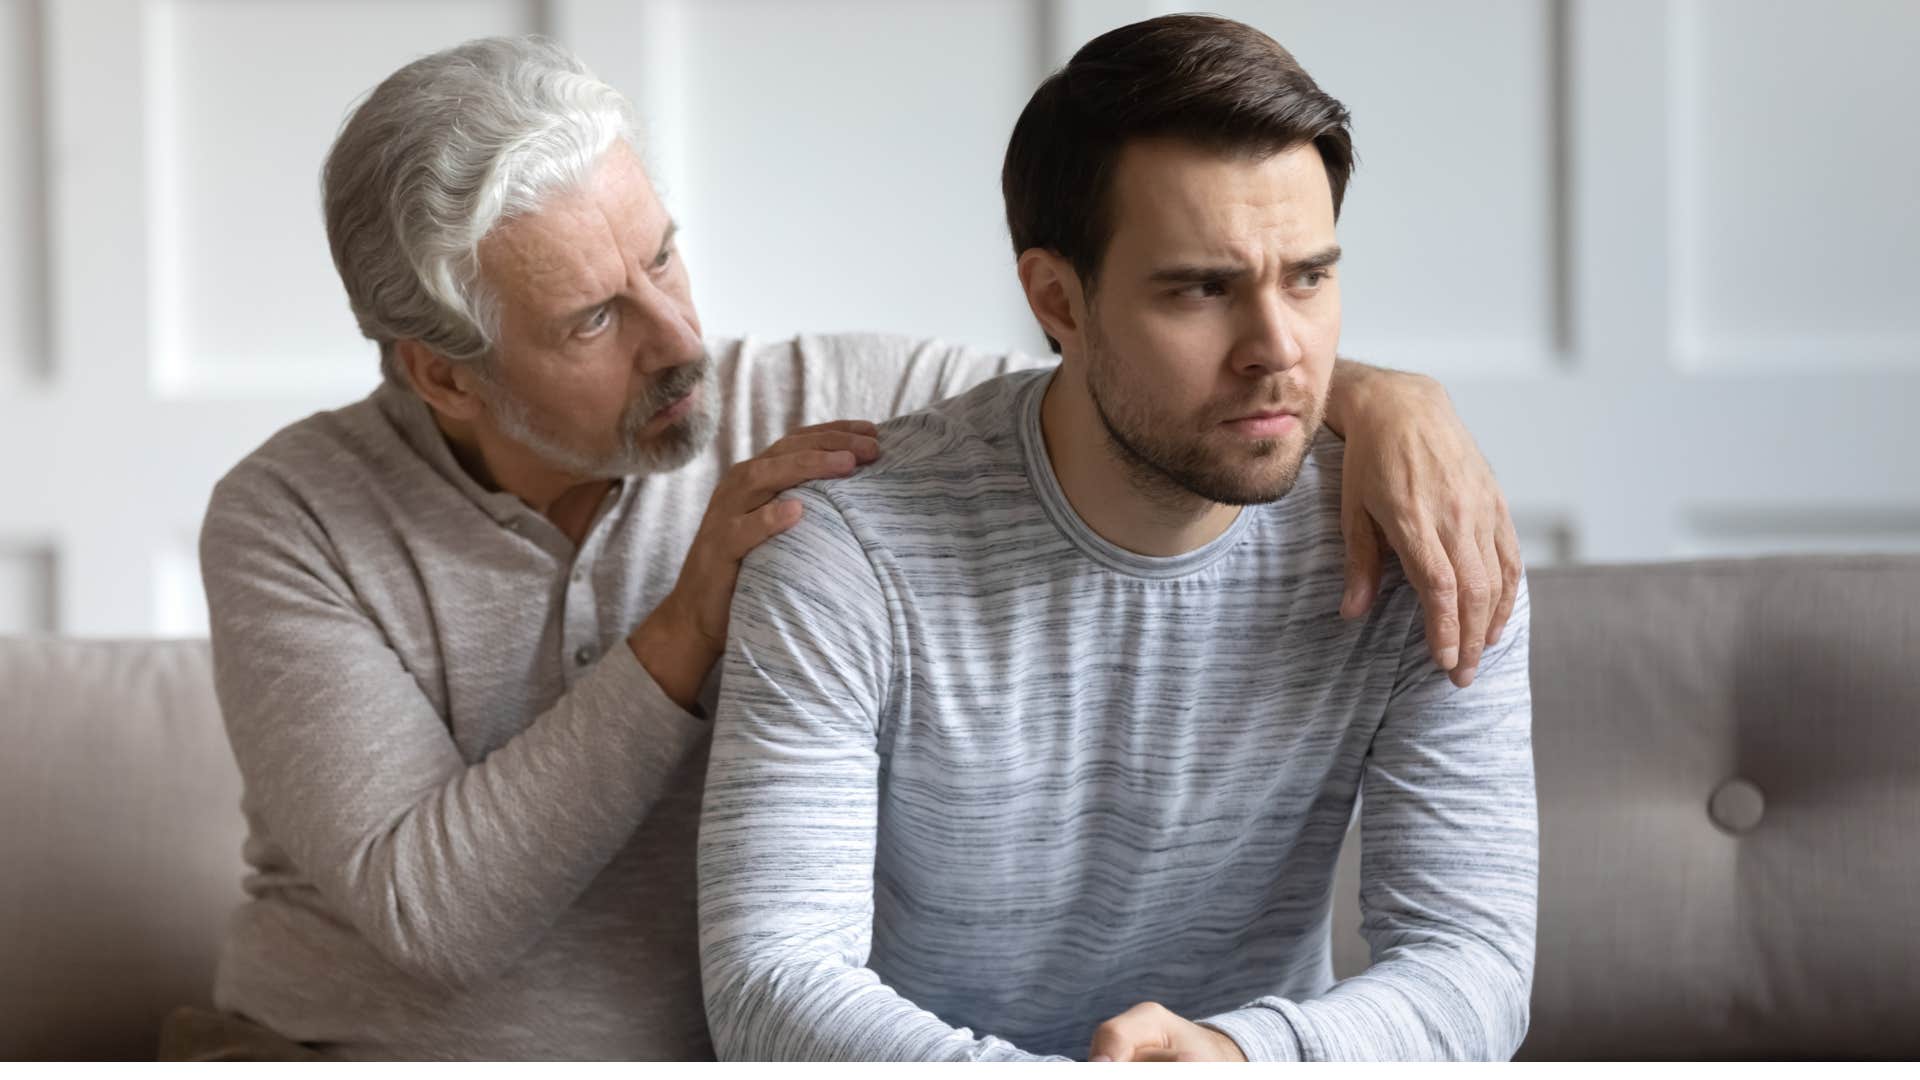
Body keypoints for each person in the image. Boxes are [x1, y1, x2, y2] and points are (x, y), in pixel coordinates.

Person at [192, 34, 1521, 1060]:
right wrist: (686, 625)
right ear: (443, 373)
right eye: (596, 319)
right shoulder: (292, 518)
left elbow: (1125, 378)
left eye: (665, 258)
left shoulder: (820, 408)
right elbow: (437, 914)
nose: (680, 339)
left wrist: (1390, 403)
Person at [697, 14, 1536, 1062]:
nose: (1278, 350)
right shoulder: (846, 556)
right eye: (1202, 289)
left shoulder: (1422, 532)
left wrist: (1242, 1057)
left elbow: (1474, 963)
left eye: (1309, 277)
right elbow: (770, 982)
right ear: (1058, 299)